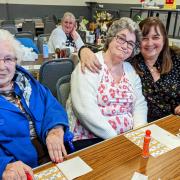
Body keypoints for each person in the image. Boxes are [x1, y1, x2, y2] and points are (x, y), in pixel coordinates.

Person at [0, 29, 73, 179]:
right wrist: (3, 166)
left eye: (8, 59)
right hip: (20, 170)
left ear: (16, 61)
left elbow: (52, 106)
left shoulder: (27, 82)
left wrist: (55, 129)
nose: (2, 66)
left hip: (54, 158)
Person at [66, 17, 147, 149]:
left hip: (128, 139)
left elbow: (140, 104)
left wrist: (138, 134)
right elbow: (85, 111)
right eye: (121, 38)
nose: (125, 45)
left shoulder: (130, 70)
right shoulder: (91, 63)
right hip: (91, 140)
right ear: (110, 38)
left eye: (131, 43)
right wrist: (116, 139)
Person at [79, 17, 180, 122]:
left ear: (164, 39)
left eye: (155, 37)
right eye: (144, 38)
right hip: (145, 125)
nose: (150, 43)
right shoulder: (129, 60)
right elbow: (111, 49)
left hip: (175, 122)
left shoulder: (176, 58)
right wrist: (83, 50)